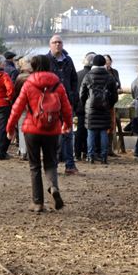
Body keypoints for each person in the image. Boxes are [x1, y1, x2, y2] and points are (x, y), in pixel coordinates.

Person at [7, 55, 73, 212]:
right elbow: (66, 108)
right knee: (51, 162)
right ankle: (53, 187)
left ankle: (37, 203)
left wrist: (10, 128)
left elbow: (17, 108)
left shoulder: (28, 83)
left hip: (32, 129)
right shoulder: (57, 83)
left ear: (33, 66)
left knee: (34, 166)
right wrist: (67, 125)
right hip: (52, 129)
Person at [46, 34, 80, 175]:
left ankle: (70, 165)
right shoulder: (45, 60)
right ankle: (51, 166)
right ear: (50, 45)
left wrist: (72, 94)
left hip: (66, 103)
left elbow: (74, 79)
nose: (57, 45)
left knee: (68, 134)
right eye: (55, 42)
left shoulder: (68, 60)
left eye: (59, 42)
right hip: (51, 105)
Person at [80, 54, 118, 165]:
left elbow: (82, 94)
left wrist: (85, 105)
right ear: (103, 64)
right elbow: (114, 96)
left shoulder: (88, 76)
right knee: (103, 132)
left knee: (91, 132)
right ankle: (104, 157)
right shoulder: (109, 77)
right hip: (105, 108)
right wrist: (109, 105)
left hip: (91, 109)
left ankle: (90, 156)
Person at [75, 52, 95, 161]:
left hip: (79, 106)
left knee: (80, 129)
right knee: (90, 130)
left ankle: (77, 152)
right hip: (91, 106)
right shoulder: (93, 75)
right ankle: (87, 151)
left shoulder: (77, 74)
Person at [12, 55, 33, 160]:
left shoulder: (19, 77)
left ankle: (23, 150)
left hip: (21, 104)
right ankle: (30, 152)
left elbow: (15, 92)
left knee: (21, 128)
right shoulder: (35, 77)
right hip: (33, 105)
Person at [104, 54, 121, 157]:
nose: (107, 62)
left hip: (112, 103)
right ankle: (104, 149)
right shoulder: (101, 73)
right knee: (104, 126)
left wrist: (118, 89)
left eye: (108, 60)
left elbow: (119, 84)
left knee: (112, 125)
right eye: (105, 61)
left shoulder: (115, 72)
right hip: (103, 103)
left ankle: (110, 149)